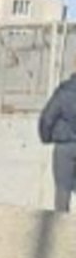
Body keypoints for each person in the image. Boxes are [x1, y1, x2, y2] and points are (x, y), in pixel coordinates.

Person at [38, 67, 76, 212]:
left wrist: (46, 137)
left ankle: (61, 226)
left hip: (64, 146)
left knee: (63, 189)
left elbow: (48, 118)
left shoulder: (63, 91)